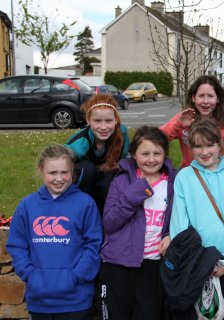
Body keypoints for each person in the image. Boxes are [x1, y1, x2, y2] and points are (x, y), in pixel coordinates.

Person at [7, 144, 102, 320]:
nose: (59, 178)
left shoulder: (85, 204)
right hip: (40, 300)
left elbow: (93, 246)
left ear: (72, 172)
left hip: (76, 299)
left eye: (64, 172)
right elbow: (17, 245)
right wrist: (31, 275)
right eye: (52, 173)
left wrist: (76, 276)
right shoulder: (27, 205)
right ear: (41, 171)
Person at [169, 119, 224, 320]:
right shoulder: (184, 177)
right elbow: (179, 223)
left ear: (220, 146)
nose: (204, 152)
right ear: (190, 148)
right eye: (197, 146)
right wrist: (193, 260)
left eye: (209, 145)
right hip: (195, 263)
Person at [99, 126, 177, 320]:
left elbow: (181, 218)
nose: (151, 159)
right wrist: (135, 193)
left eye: (157, 153)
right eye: (145, 153)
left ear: (165, 154)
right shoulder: (121, 181)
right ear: (133, 154)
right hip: (118, 262)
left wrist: (170, 235)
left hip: (152, 263)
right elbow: (110, 222)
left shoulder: (173, 183)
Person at [65, 93, 129, 213]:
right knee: (87, 169)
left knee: (111, 179)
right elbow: (58, 163)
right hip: (84, 185)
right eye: (97, 121)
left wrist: (115, 165)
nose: (103, 127)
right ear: (88, 120)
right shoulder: (80, 142)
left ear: (116, 120)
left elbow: (126, 160)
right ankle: (82, 213)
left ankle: (106, 218)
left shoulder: (122, 133)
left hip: (106, 185)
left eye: (109, 121)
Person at [161, 75, 224, 168]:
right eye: (201, 96)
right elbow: (157, 138)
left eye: (210, 96)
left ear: (218, 98)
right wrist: (178, 125)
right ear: (193, 98)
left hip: (216, 175)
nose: (205, 101)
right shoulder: (184, 118)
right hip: (189, 174)